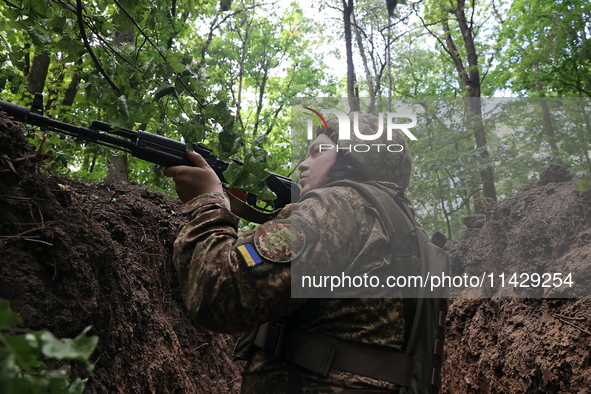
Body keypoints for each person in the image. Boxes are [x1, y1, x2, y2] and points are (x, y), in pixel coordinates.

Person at [164, 112, 426, 393]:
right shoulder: (403, 228)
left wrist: (207, 202)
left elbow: (218, 291)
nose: (303, 163)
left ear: (352, 160)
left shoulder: (338, 206)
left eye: (317, 152)